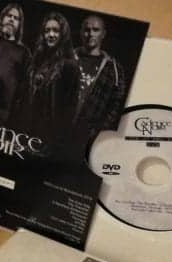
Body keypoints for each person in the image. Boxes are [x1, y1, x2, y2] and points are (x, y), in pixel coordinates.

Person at [25, 12, 80, 159]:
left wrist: (55, 141)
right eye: (47, 30)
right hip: (29, 131)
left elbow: (69, 108)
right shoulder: (38, 60)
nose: (50, 35)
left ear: (63, 34)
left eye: (55, 31)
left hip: (50, 138)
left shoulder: (70, 66)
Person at [73, 15, 127, 145]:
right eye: (87, 30)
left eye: (95, 30)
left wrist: (97, 131)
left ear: (103, 34)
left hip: (87, 136)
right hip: (58, 128)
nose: (90, 34)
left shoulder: (113, 68)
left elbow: (117, 104)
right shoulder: (67, 57)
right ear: (81, 32)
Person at [0, 3, 30, 128]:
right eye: (9, 16)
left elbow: (22, 87)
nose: (11, 20)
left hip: (3, 112)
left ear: (19, 25)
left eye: (16, 18)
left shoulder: (23, 52)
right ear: (2, 18)